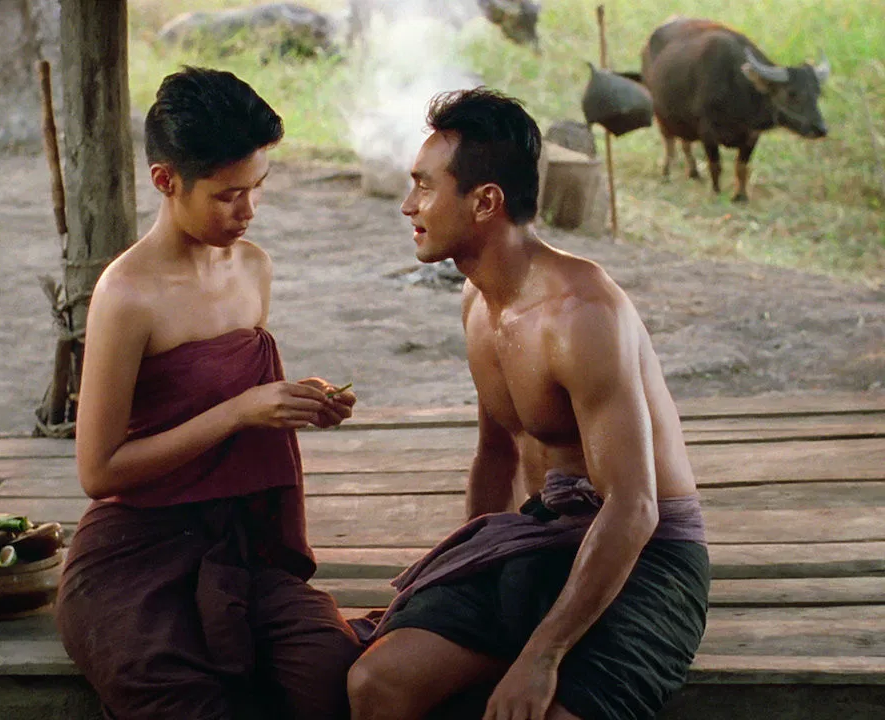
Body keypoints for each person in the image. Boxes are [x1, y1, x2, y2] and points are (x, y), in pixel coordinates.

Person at [345, 88, 710, 720]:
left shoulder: (582, 314)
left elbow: (634, 507)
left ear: (485, 202)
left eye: (425, 187)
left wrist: (541, 655)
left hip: (648, 554)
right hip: (542, 536)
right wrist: (462, 574)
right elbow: (497, 456)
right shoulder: (477, 301)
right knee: (375, 684)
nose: (408, 206)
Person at [55, 66, 362, 720]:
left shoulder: (253, 267)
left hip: (243, 543)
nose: (247, 212)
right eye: (228, 196)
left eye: (257, 189)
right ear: (165, 180)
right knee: (177, 696)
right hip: (136, 549)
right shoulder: (127, 295)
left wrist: (298, 401)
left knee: (329, 671)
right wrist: (240, 412)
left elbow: (228, 388)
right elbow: (97, 470)